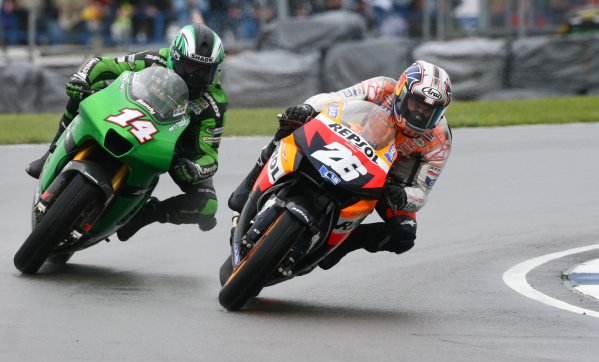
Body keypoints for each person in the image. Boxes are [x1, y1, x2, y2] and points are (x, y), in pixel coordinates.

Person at [228, 60, 452, 269]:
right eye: (416, 104)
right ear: (401, 93)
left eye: (428, 111)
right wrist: (307, 109)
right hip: (347, 142)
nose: (419, 114)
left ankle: (339, 245)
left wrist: (403, 197)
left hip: (387, 182)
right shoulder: (381, 88)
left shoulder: (440, 139)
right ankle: (248, 189)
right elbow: (335, 98)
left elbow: (422, 191)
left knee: (404, 235)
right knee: (291, 124)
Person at [26, 23, 227, 241]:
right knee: (86, 90)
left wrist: (196, 168)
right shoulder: (154, 59)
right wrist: (81, 77)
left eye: (204, 70)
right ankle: (51, 151)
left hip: (173, 149)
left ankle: (144, 215)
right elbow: (101, 65)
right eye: (190, 66)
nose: (196, 75)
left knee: (207, 204)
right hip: (129, 115)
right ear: (175, 57)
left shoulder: (213, 103)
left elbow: (210, 156)